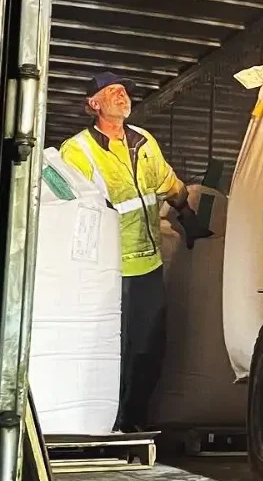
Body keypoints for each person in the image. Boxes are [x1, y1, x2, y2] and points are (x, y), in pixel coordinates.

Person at [60, 72, 208, 432]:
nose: (121, 96)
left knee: (147, 346)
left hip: (146, 264)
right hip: (107, 268)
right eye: (112, 92)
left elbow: (168, 183)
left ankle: (133, 420)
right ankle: (104, 422)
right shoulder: (77, 150)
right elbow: (72, 209)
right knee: (112, 347)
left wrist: (188, 217)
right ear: (93, 104)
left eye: (124, 91)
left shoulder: (144, 142)